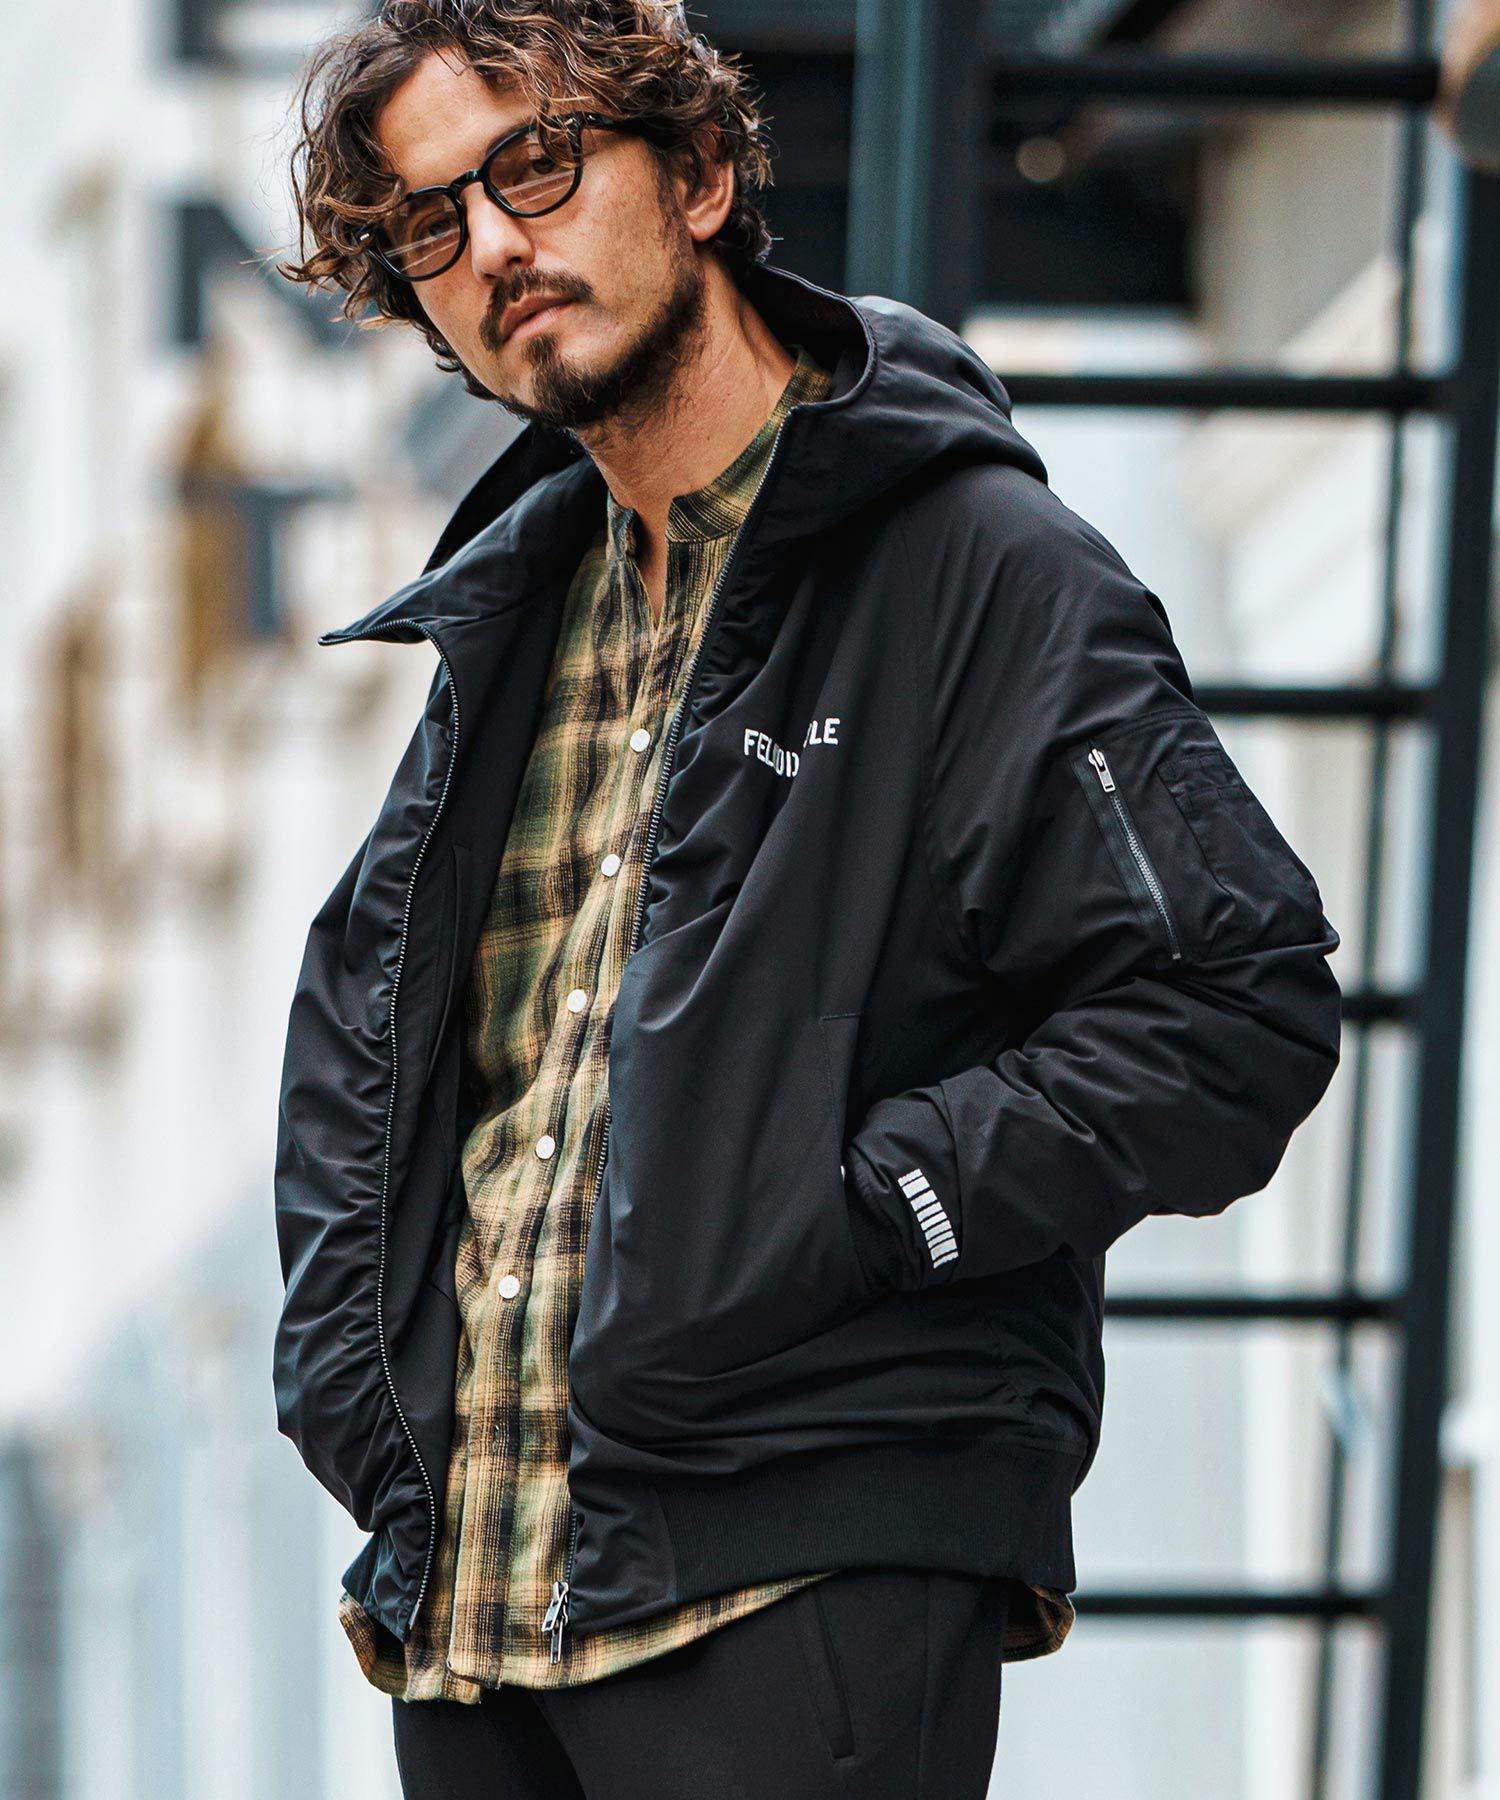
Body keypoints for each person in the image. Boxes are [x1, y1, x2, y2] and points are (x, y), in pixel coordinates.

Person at [270, 3, 1344, 1795]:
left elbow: (1233, 1008)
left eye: (537, 165)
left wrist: (868, 1210)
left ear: (699, 173)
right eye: (431, 227)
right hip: (471, 1613)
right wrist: (360, 1403)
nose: (496, 247)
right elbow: (371, 1073)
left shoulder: (978, 567)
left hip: (797, 1569)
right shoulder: (514, 624)